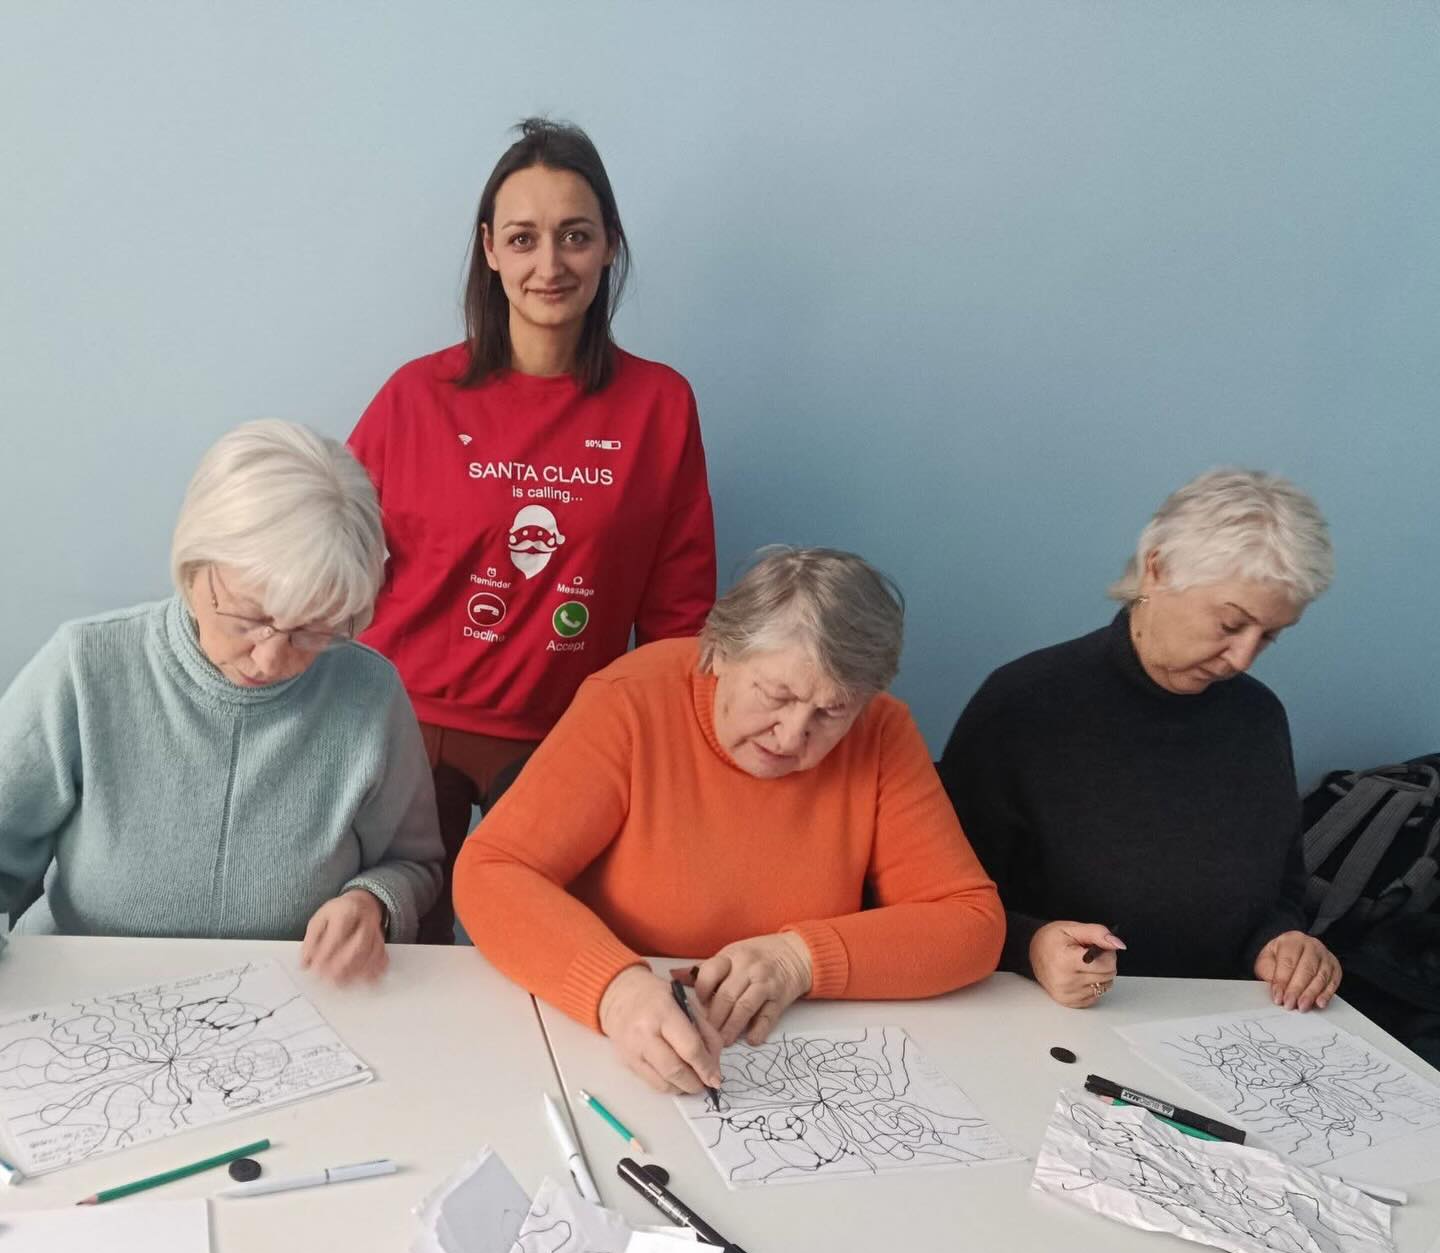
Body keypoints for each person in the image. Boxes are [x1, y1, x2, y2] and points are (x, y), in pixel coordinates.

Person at [350, 117, 716, 942]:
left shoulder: (660, 405)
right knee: (401, 960)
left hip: (569, 734)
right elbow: (331, 556)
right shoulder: (416, 396)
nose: (549, 265)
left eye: (574, 236)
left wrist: (674, 758)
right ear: (490, 250)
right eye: (523, 238)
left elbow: (680, 612)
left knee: (548, 957)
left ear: (610, 245)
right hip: (410, 728)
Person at [455, 547, 1004, 1094]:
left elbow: (971, 924)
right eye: (776, 695)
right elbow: (491, 871)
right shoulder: (631, 701)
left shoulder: (881, 731)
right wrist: (616, 991)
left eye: (831, 711)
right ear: (717, 652)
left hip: (789, 1049)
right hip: (618, 1042)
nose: (792, 735)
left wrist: (799, 960)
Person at [0, 420, 443, 982]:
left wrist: (372, 901)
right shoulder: (85, 668)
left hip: (289, 1001)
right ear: (194, 570)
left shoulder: (369, 695)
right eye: (249, 619)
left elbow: (414, 863)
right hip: (80, 992)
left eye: (312, 631)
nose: (271, 659)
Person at [938, 468, 1341, 1012]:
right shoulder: (1024, 705)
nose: (1243, 658)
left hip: (1218, 1021)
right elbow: (942, 903)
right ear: (1157, 569)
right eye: (1230, 625)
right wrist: (1031, 947)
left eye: (1269, 636)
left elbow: (1280, 891)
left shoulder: (1258, 716)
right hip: (1054, 1017)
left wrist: (1282, 942)